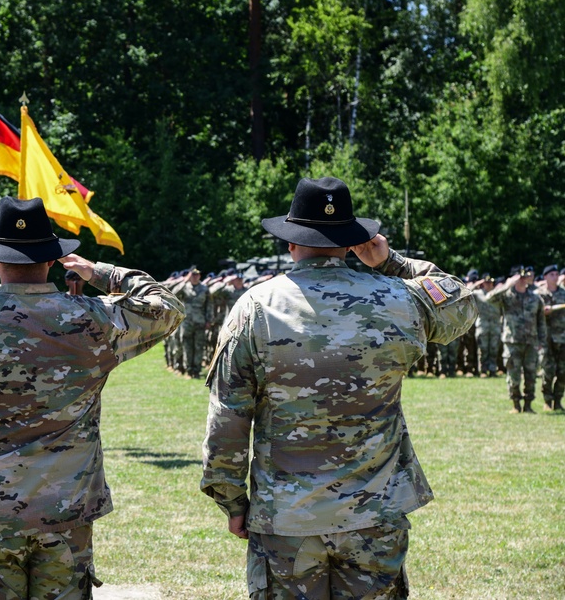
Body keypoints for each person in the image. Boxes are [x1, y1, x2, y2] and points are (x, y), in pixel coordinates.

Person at [201, 177, 476, 600]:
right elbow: (461, 302)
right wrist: (391, 262)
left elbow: (228, 418)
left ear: (291, 243)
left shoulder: (255, 307)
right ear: (352, 242)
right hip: (375, 513)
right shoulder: (397, 298)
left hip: (288, 519)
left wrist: (232, 501)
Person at [0, 197, 185, 600]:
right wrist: (102, 272)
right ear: (53, 259)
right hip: (67, 513)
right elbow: (166, 307)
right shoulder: (91, 319)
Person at [488, 265, 546, 413]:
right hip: (512, 342)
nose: (522, 280)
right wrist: (507, 285)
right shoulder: (506, 296)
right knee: (513, 376)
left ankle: (528, 405)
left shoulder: (535, 298)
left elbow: (541, 322)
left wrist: (542, 342)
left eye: (524, 277)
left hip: (531, 342)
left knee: (531, 375)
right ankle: (515, 404)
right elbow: (489, 299)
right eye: (519, 277)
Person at [172, 267, 210, 378]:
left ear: (200, 276)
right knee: (187, 346)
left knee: (199, 346)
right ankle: (188, 370)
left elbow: (208, 306)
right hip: (187, 321)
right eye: (193, 275)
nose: (195, 277)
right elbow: (174, 293)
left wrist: (209, 320)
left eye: (197, 275)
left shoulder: (204, 288)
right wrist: (184, 281)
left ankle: (196, 370)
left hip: (200, 321)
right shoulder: (185, 287)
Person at [536, 264, 565, 411]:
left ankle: (558, 400)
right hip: (547, 338)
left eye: (556, 274)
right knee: (548, 370)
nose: (555, 277)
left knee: (563, 371)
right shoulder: (539, 295)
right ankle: (547, 400)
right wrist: (542, 312)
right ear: (545, 277)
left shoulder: (564, 293)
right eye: (552, 274)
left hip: (562, 338)